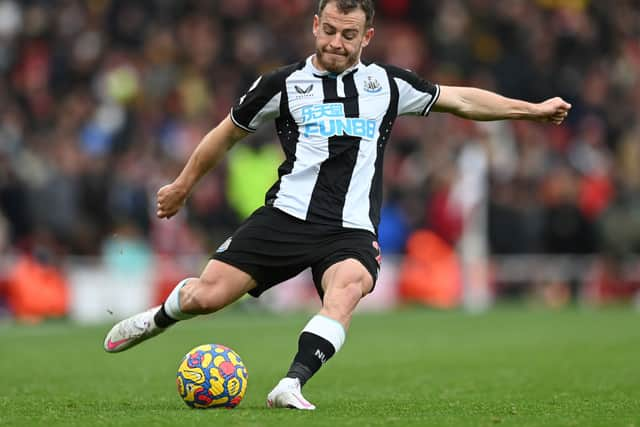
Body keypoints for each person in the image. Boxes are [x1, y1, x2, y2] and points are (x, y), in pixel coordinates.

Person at [103, 0, 571, 410]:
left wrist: (530, 110)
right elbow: (225, 133)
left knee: (348, 287)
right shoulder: (282, 84)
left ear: (366, 36)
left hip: (350, 229)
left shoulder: (386, 84)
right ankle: (159, 318)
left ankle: (291, 383)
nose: (336, 43)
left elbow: (461, 99)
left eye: (349, 35)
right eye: (329, 31)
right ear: (314, 25)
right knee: (205, 297)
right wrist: (183, 184)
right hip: (286, 216)